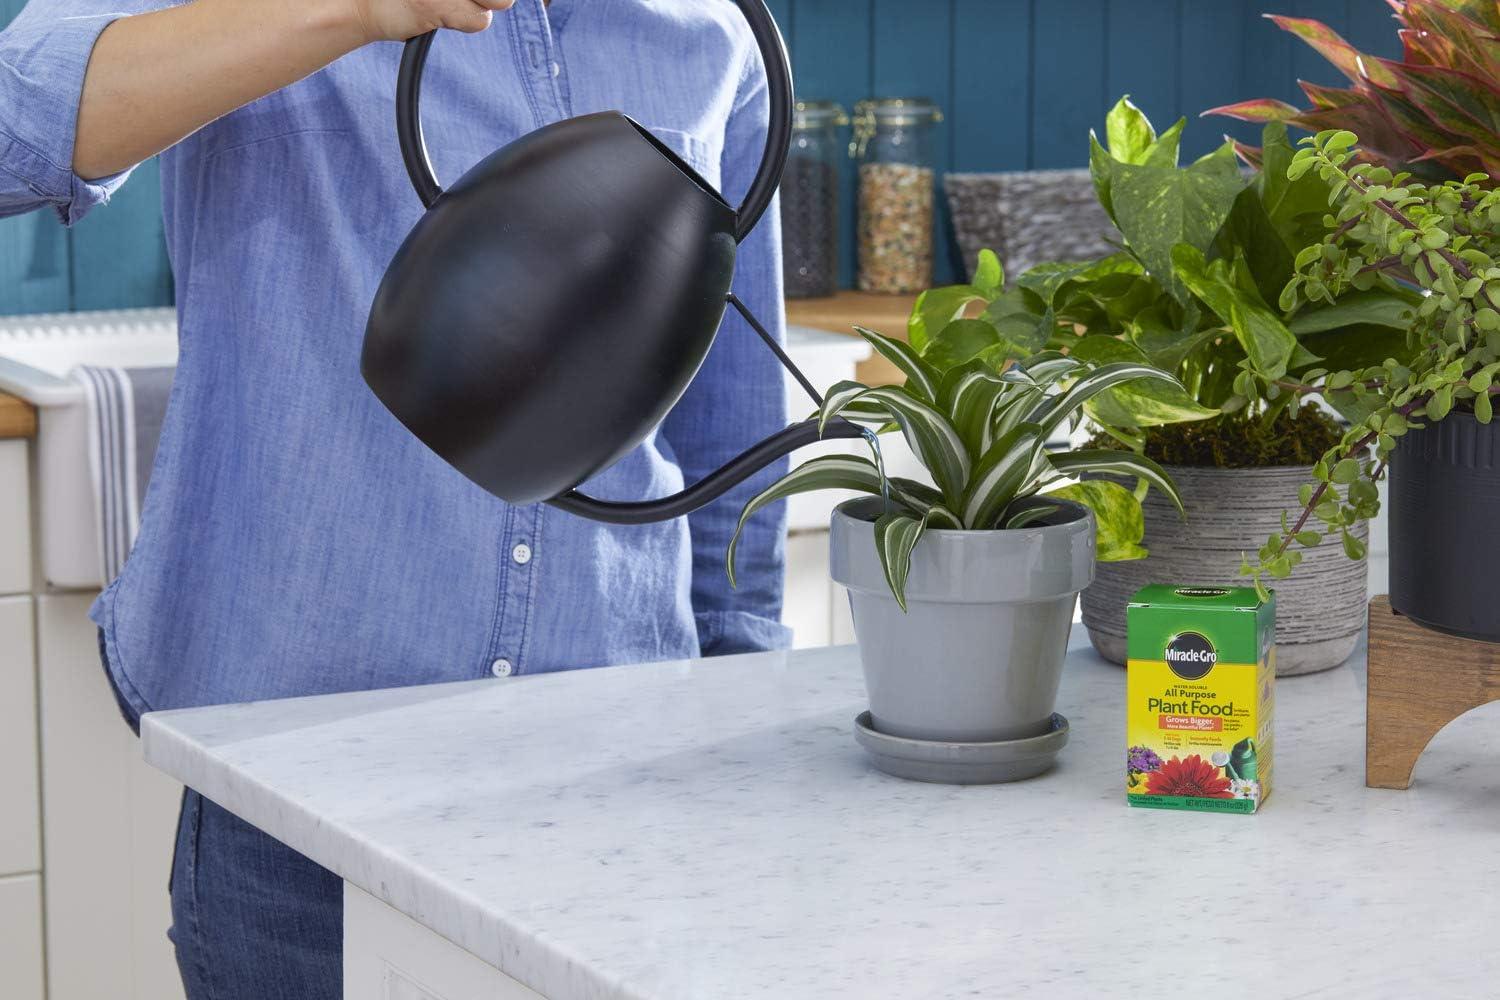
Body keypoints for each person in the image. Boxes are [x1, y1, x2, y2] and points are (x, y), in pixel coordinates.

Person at [0, 1, 792, 996]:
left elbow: (733, 426)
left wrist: (741, 722)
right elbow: (14, 127)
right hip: (299, 797)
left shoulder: (714, 32)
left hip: (614, 774)